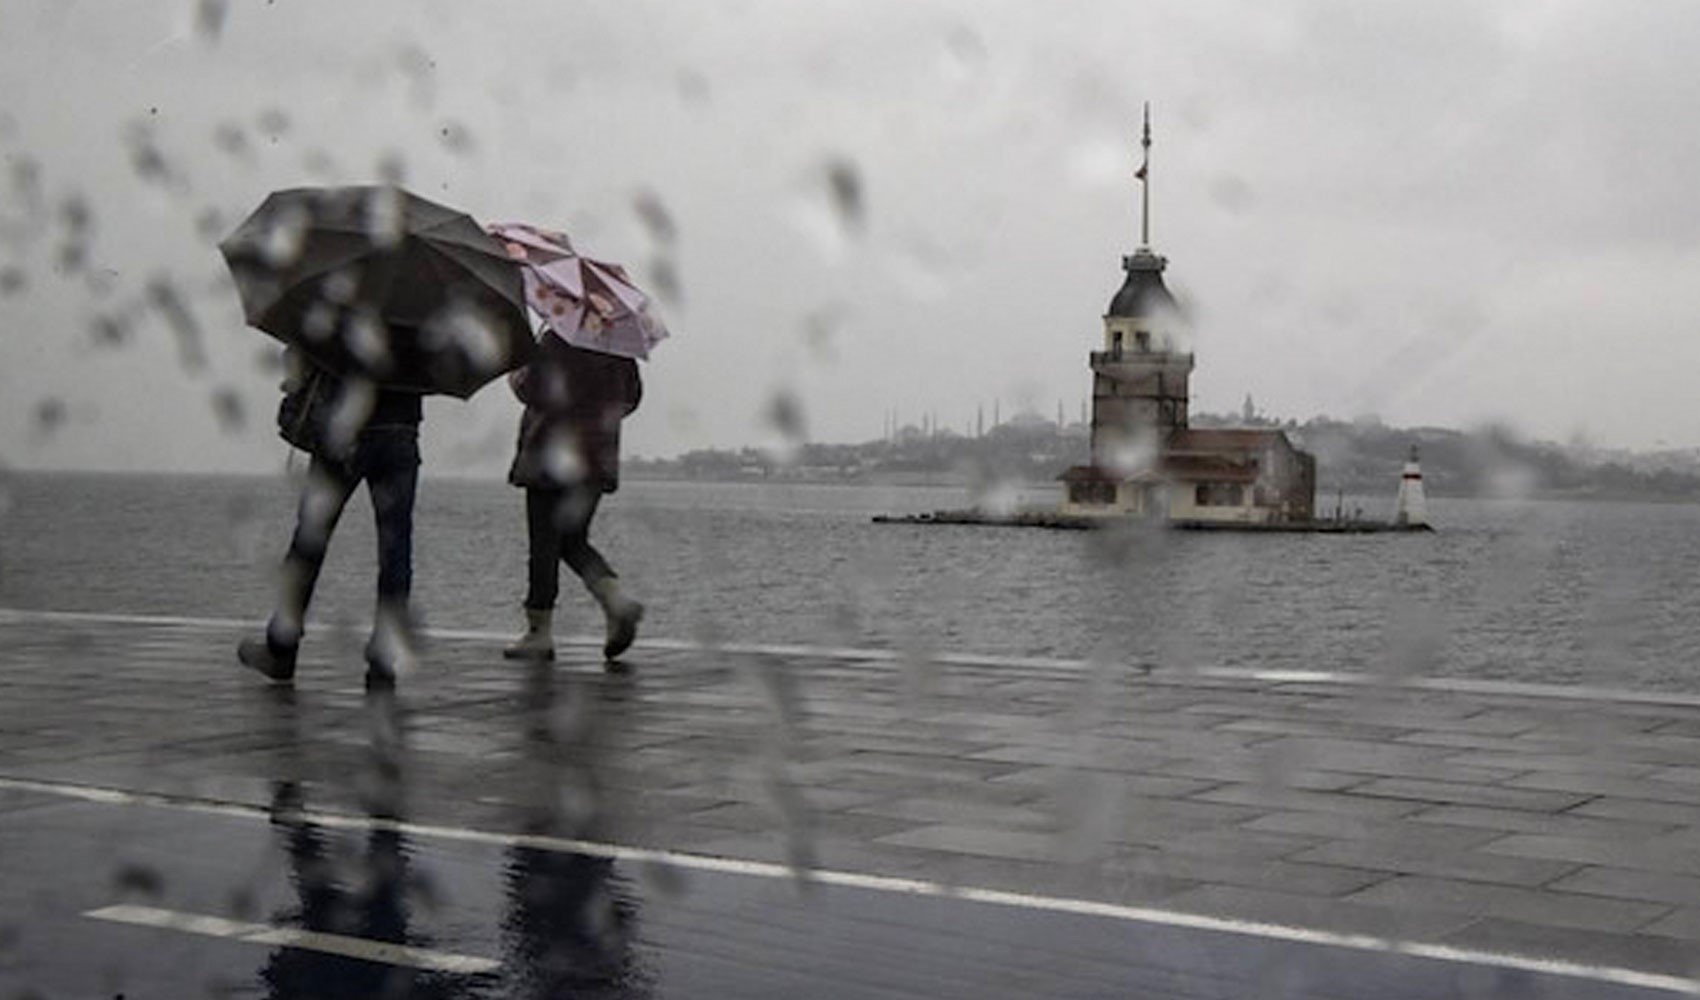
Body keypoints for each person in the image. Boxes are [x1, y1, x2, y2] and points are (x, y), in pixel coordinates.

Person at [239, 350, 424, 688]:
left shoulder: (347, 300)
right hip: (400, 432)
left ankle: (282, 647)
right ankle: (383, 659)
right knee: (396, 548)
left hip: (344, 431)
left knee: (309, 541)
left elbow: (307, 352)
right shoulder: (424, 309)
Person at [503, 335, 644, 663]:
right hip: (595, 458)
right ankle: (616, 601)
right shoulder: (618, 344)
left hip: (550, 456)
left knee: (544, 544)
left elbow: (532, 389)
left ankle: (539, 633)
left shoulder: (556, 339)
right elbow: (632, 398)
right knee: (572, 540)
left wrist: (517, 372)